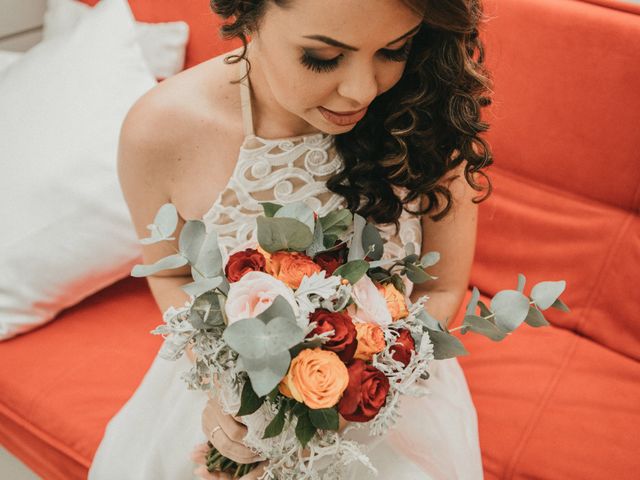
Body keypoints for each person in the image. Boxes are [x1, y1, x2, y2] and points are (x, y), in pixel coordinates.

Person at [88, 0, 493, 478]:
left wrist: (354, 391)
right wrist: (240, 395)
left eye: (394, 50)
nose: (361, 90)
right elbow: (173, 275)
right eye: (322, 57)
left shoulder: (431, 114)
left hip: (388, 404)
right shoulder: (162, 130)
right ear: (246, 14)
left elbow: (441, 289)